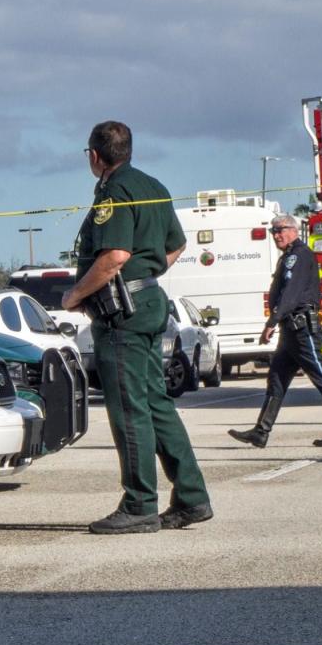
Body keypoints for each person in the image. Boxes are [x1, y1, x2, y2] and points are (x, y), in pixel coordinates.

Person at [62, 120, 212, 534]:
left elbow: (114, 255)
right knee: (156, 404)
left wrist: (74, 295)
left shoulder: (116, 191)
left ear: (95, 155)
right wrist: (150, 274)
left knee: (129, 410)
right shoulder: (154, 186)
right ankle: (192, 498)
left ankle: (140, 504)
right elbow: (176, 243)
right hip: (147, 303)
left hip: (122, 313)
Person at [228, 214, 322, 449]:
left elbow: (291, 294)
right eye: (272, 232)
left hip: (302, 329)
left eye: (280, 230)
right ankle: (261, 432)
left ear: (294, 230)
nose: (276, 235)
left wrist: (271, 322)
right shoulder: (288, 256)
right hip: (290, 332)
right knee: (276, 379)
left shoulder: (300, 255)